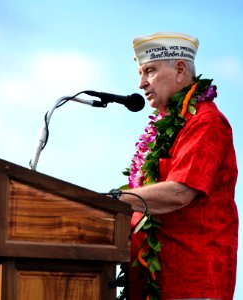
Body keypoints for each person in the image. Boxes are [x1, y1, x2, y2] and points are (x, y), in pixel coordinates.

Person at [119, 32, 238, 299]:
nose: (141, 84)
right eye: (140, 73)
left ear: (180, 70)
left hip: (192, 283)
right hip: (154, 283)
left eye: (149, 71)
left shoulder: (206, 122)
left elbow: (180, 192)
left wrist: (114, 200)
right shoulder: (166, 129)